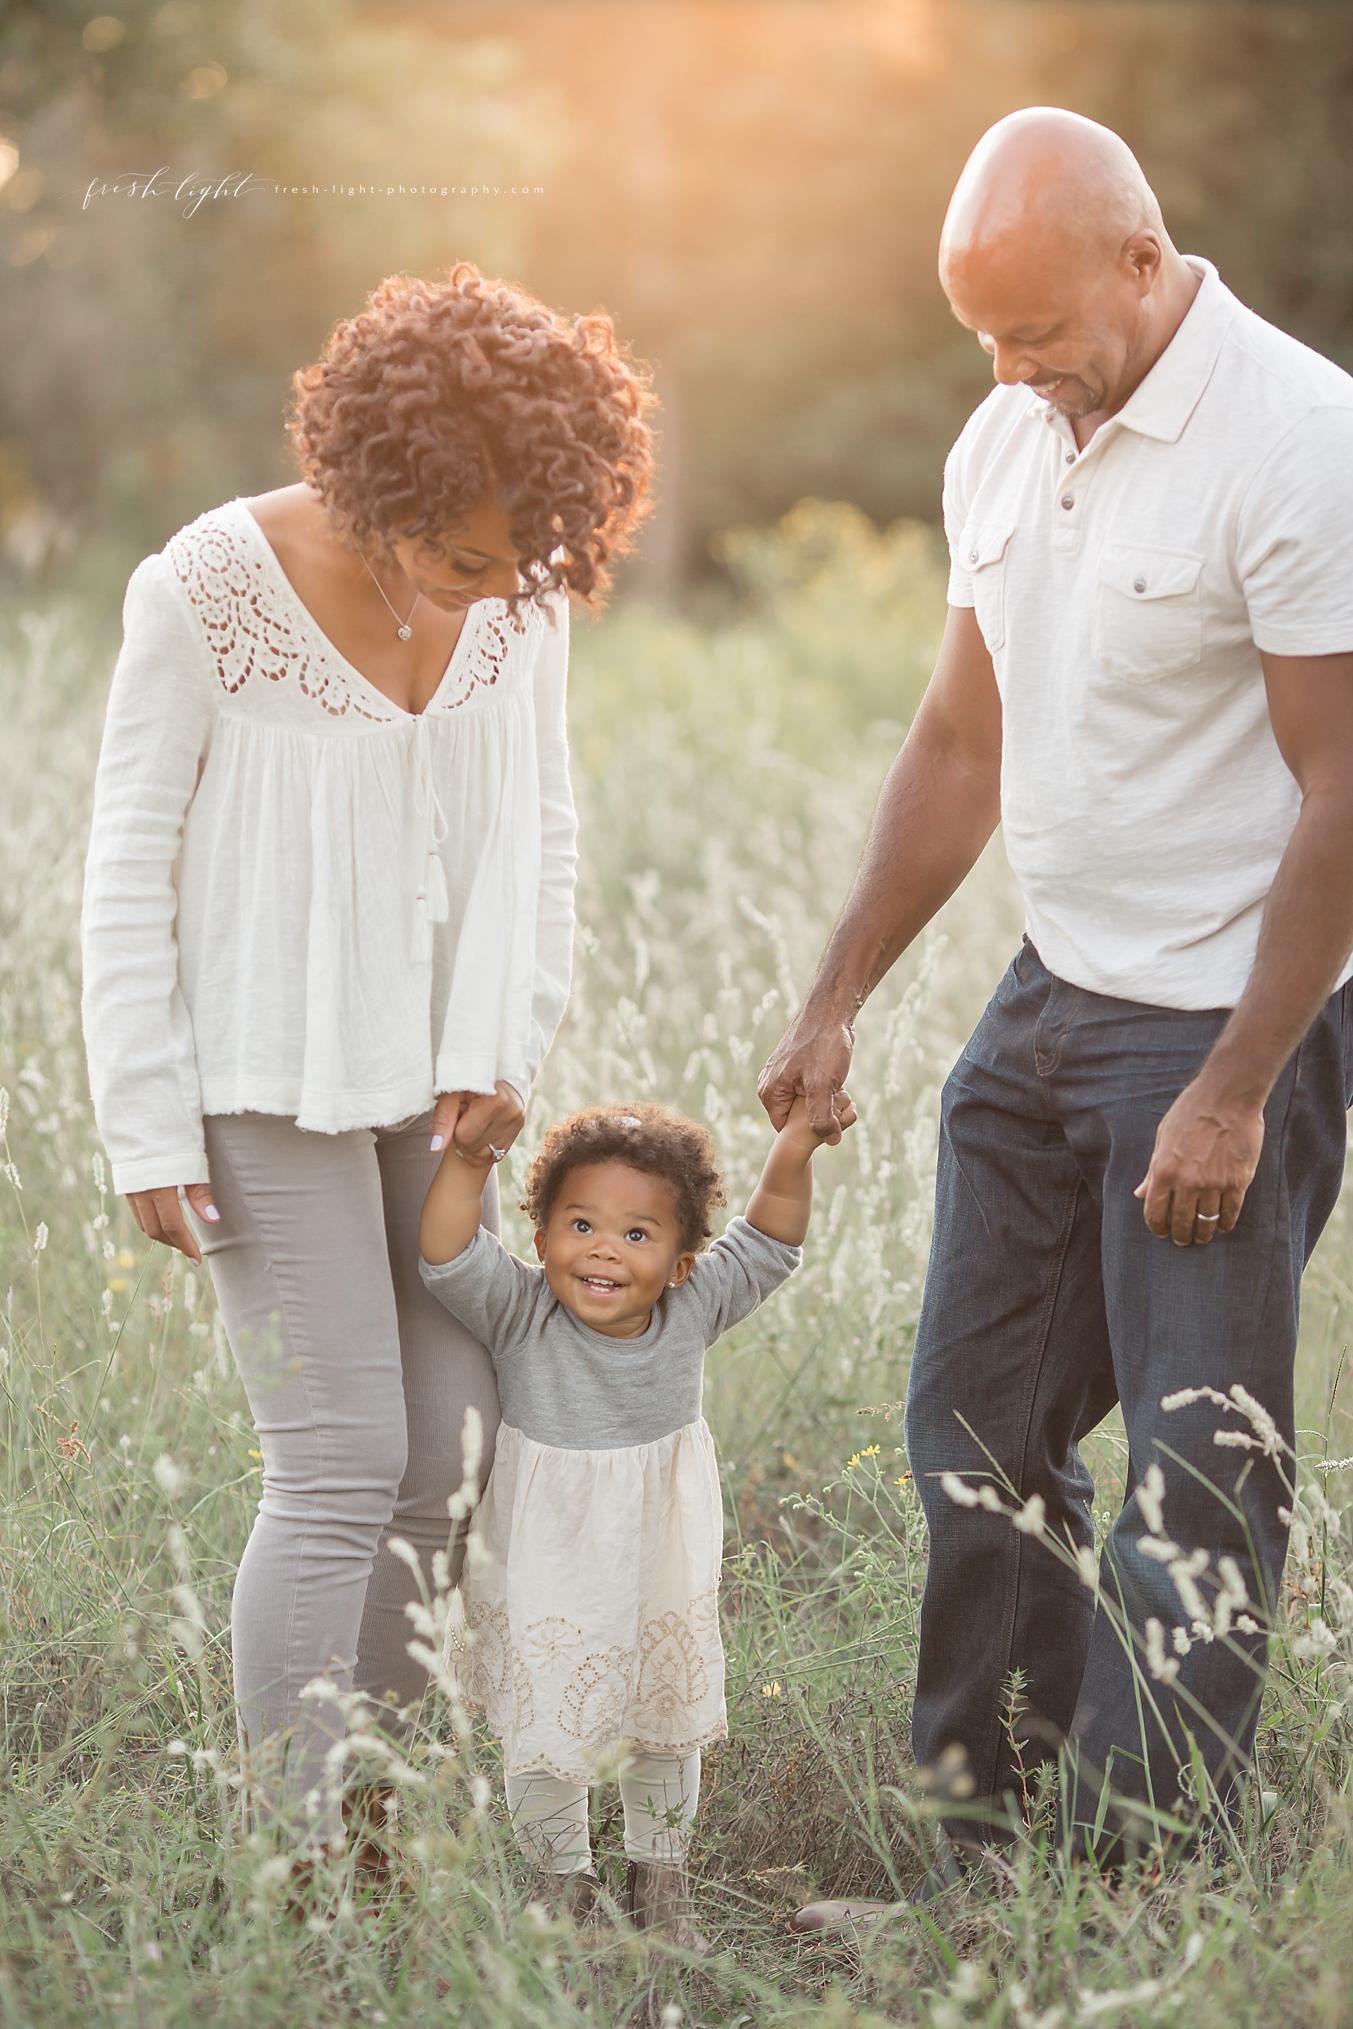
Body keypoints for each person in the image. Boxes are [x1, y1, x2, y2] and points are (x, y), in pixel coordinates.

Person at [756, 107, 1353, 1926]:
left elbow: (1342, 781)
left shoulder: (1299, 438)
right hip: (1049, 1002)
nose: (1015, 374)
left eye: (1036, 333)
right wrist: (840, 985)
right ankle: (974, 1860)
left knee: (1193, 1471)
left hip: (1228, 1021)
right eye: (984, 344)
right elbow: (959, 738)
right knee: (974, 1426)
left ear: (1137, 254)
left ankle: (1128, 1894)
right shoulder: (1008, 435)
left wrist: (1237, 1083)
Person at [78, 262, 656, 1900]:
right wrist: (143, 1118)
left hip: (432, 1093)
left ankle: (382, 1824)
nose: (491, 592)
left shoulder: (516, 595)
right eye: (462, 555)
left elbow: (542, 830)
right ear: (383, 483)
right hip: (258, 1082)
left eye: (514, 563)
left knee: (451, 1447)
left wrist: (506, 1048)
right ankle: (296, 1861)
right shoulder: (203, 591)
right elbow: (125, 867)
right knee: (337, 1455)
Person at [415, 1091, 855, 1945]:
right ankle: (562, 1887)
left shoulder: (690, 1313)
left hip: (658, 1558)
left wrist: (796, 1147)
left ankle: (660, 1878)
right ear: (539, 1240)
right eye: (579, 1224)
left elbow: (770, 1238)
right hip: (547, 1559)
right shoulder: (521, 1312)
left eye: (637, 1234)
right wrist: (469, 1160)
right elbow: (445, 1253)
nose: (604, 1249)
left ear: (683, 1262)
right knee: (547, 1723)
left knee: (664, 1714)